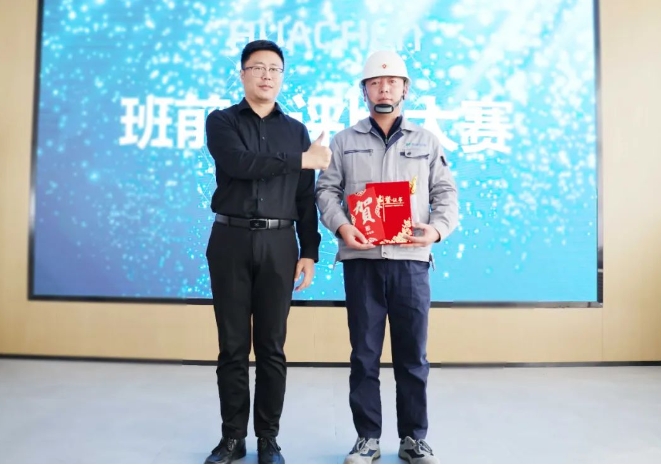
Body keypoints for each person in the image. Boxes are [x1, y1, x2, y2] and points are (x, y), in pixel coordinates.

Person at [315, 50, 459, 464]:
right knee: (364, 355)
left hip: (411, 262)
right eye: (375, 83)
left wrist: (436, 230)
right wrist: (343, 227)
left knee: (412, 356)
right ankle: (367, 438)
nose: (384, 89)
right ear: (364, 91)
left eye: (392, 82)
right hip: (361, 262)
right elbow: (326, 191)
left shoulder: (426, 141)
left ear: (404, 90)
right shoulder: (344, 141)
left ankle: (414, 438)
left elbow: (446, 193)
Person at [204, 40, 331, 464]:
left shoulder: (295, 130)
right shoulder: (221, 121)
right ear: (242, 74)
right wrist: (302, 159)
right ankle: (232, 439)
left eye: (274, 69)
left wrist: (309, 250)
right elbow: (240, 164)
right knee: (233, 346)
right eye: (257, 67)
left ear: (282, 77)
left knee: (272, 347)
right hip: (230, 240)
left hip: (280, 244)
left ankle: (268, 439)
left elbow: (304, 197)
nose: (266, 75)